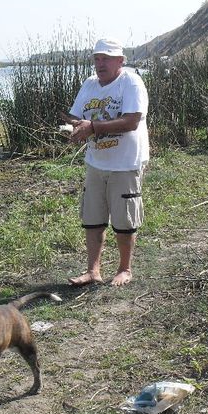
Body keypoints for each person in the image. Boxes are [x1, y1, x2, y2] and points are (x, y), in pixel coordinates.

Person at [65, 38, 149, 287]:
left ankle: (125, 269)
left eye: (106, 59)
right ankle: (93, 270)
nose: (100, 64)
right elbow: (75, 114)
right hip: (96, 162)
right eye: (97, 59)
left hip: (125, 163)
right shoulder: (90, 84)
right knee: (93, 216)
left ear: (120, 61)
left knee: (124, 220)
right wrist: (73, 126)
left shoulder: (131, 82)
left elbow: (132, 120)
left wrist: (93, 127)